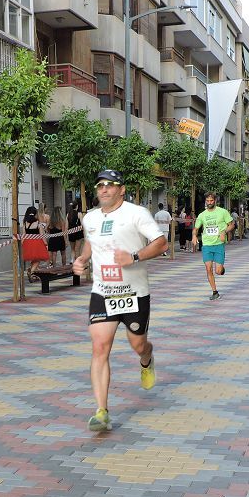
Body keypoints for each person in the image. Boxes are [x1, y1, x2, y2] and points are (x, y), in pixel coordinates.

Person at [72, 170, 167, 432]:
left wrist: (134, 257)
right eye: (99, 185)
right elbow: (91, 243)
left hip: (134, 293)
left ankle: (147, 359)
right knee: (100, 347)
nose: (103, 189)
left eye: (109, 185)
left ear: (121, 189)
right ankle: (101, 411)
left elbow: (161, 243)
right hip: (103, 292)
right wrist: (81, 260)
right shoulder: (89, 217)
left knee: (138, 344)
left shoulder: (136, 213)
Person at [192, 193, 235, 301]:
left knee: (218, 271)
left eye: (211, 200)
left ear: (215, 201)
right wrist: (194, 236)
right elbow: (196, 228)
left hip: (219, 244)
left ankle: (221, 269)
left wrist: (224, 231)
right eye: (208, 201)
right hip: (206, 245)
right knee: (208, 269)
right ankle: (215, 292)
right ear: (205, 201)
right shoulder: (202, 215)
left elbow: (232, 224)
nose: (209, 202)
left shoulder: (223, 212)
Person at [22, 206, 45, 281]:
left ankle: (31, 271)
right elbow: (42, 235)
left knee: (34, 260)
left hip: (28, 243)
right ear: (35, 214)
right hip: (37, 243)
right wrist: (45, 244)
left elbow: (24, 235)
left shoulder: (25, 224)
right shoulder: (38, 223)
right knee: (37, 260)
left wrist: (22, 244)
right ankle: (32, 272)